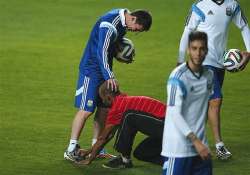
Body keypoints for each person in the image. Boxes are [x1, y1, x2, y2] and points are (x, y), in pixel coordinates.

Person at [64, 8, 152, 162]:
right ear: (134, 19)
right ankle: (71, 148)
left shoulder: (124, 22)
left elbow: (111, 46)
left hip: (105, 71)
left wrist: (121, 53)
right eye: (138, 29)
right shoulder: (109, 24)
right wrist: (109, 76)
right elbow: (102, 52)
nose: (136, 32)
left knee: (104, 109)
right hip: (91, 71)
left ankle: (96, 148)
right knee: (86, 109)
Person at [177, 0, 250, 159]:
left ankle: (190, 141)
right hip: (202, 61)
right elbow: (187, 30)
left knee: (205, 105)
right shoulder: (200, 5)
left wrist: (249, 51)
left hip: (220, 63)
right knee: (216, 100)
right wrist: (180, 60)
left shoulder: (232, 5)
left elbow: (244, 26)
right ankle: (219, 146)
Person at [75, 81, 166, 169]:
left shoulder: (118, 107)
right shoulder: (124, 101)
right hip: (167, 126)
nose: (102, 101)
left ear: (108, 97)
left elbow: (103, 138)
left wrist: (89, 159)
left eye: (102, 98)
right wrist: (88, 152)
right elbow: (108, 136)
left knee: (129, 117)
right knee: (141, 153)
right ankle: (172, 162)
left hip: (169, 124)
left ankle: (124, 159)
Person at [162, 31, 213, 175]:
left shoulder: (209, 76)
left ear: (207, 50)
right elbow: (173, 113)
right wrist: (195, 141)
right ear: (188, 50)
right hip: (178, 149)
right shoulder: (178, 77)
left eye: (202, 49)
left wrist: (201, 142)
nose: (198, 53)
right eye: (194, 48)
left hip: (201, 148)